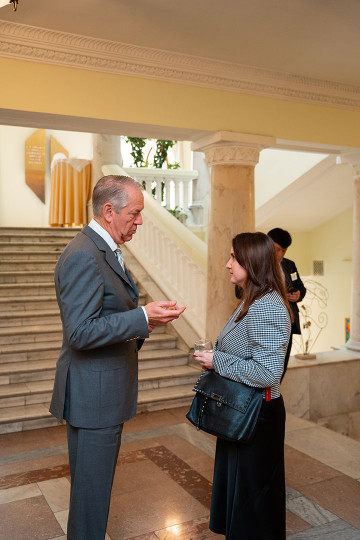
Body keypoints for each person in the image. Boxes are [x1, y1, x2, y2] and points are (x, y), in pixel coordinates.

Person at [49, 175, 185, 540]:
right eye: (135, 213)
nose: (139, 221)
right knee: (91, 498)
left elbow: (104, 319)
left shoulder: (101, 250)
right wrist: (141, 317)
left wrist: (144, 323)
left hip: (100, 392)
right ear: (109, 211)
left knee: (90, 494)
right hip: (94, 397)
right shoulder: (84, 255)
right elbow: (79, 333)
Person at [193, 232, 291, 539]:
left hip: (258, 414)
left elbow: (268, 373)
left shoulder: (267, 306)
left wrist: (216, 362)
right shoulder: (252, 299)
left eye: (234, 257)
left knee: (254, 502)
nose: (227, 264)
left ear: (254, 261)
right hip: (245, 409)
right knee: (243, 496)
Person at [267, 227, 306, 380]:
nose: (280, 254)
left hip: (288, 324)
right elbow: (240, 292)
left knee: (281, 368)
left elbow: (301, 287)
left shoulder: (290, 265)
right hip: (267, 324)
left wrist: (298, 295)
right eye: (277, 250)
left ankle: (273, 400)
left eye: (284, 251)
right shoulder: (258, 264)